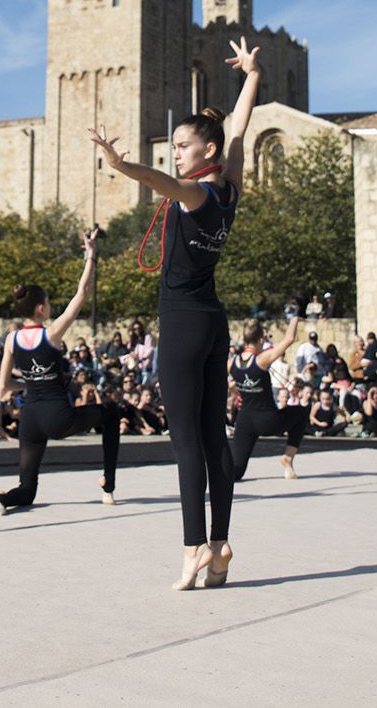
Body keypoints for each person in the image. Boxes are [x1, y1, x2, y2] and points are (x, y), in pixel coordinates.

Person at [90, 35, 258, 591]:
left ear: (203, 154)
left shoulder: (199, 195)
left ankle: (192, 550)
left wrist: (120, 164)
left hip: (185, 324)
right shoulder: (228, 187)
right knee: (213, 440)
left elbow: (163, 182)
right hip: (214, 321)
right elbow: (238, 129)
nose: (177, 152)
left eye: (184, 146)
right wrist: (251, 77)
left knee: (185, 440)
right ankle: (221, 544)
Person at [0, 230, 123, 513]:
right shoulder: (50, 334)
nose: (51, 307)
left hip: (30, 419)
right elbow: (82, 293)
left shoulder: (11, 339)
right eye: (49, 303)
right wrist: (90, 255)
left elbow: (4, 385)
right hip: (57, 417)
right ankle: (108, 485)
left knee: (27, 490)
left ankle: (2, 500)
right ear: (41, 309)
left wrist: (31, 383)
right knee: (112, 412)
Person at [226, 318, 304, 480]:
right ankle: (287, 459)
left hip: (244, 422)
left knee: (236, 472)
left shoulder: (232, 362)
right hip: (268, 420)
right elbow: (289, 339)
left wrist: (233, 386)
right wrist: (295, 319)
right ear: (261, 339)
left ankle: (213, 470)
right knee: (302, 413)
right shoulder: (261, 359)